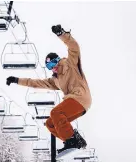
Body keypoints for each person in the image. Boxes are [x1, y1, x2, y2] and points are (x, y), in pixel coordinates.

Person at [6, 24, 92, 154]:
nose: (53, 68)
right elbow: (36, 83)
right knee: (50, 123)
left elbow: (74, 47)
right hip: (76, 104)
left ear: (58, 60)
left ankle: (71, 139)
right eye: (49, 67)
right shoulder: (55, 80)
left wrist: (61, 34)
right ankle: (74, 141)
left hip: (80, 97)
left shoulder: (70, 63)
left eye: (53, 64)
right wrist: (17, 80)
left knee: (55, 113)